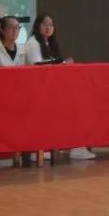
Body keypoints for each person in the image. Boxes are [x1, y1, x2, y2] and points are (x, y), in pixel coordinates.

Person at [25, 13, 93, 160]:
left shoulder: (49, 43)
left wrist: (63, 64)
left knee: (79, 102)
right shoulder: (33, 44)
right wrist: (62, 64)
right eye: (44, 24)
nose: (48, 27)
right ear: (37, 26)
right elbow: (38, 67)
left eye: (51, 25)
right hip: (37, 91)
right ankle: (72, 146)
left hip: (50, 89)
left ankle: (73, 146)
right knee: (72, 106)